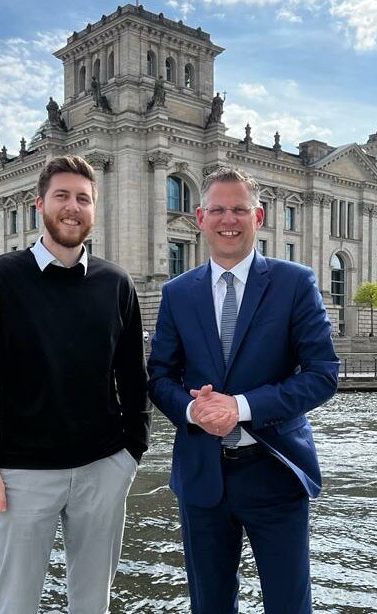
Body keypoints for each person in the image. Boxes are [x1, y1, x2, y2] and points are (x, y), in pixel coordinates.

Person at [0, 155, 151, 614]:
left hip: (103, 467)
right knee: (16, 604)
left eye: (83, 199)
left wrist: (131, 453)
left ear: (94, 208)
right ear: (39, 204)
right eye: (62, 196)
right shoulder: (0, 278)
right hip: (21, 474)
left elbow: (133, 376)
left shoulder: (117, 283)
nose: (73, 207)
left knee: (92, 605)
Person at [147, 166, 339, 613]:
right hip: (202, 475)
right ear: (200, 217)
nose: (227, 219)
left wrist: (242, 406)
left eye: (239, 209)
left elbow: (322, 373)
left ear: (259, 215)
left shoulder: (295, 283)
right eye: (217, 209)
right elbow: (159, 376)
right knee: (209, 604)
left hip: (274, 469)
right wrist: (196, 413)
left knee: (289, 604)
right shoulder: (178, 292)